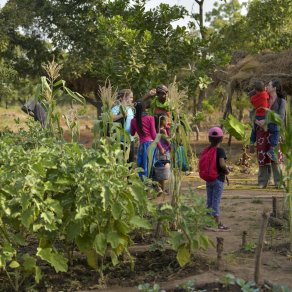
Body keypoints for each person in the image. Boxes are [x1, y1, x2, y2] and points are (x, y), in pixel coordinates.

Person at [250, 79, 287, 188]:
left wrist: (266, 121)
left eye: (269, 85)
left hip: (274, 132)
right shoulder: (262, 97)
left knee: (275, 157)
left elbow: (281, 117)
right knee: (262, 156)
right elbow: (253, 112)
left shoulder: (281, 101)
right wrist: (255, 120)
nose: (267, 86)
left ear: (274, 88)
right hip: (261, 133)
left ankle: (278, 182)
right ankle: (262, 182)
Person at [199, 127, 230, 230]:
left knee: (210, 201)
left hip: (209, 179)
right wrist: (227, 170)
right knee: (216, 201)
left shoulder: (207, 149)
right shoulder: (220, 150)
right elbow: (222, 164)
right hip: (218, 180)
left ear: (209, 138)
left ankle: (207, 223)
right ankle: (217, 224)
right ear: (221, 139)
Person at [130, 100, 165, 181]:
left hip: (142, 146)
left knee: (142, 166)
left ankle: (145, 186)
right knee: (151, 165)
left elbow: (132, 133)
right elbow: (153, 135)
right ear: (145, 108)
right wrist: (160, 148)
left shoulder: (133, 120)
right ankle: (155, 186)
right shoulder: (150, 118)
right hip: (151, 145)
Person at [249, 81, 278, 161]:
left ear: (256, 90)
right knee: (275, 130)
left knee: (254, 130)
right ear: (264, 88)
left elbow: (251, 100)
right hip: (265, 116)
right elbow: (265, 92)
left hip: (257, 116)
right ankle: (272, 149)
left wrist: (255, 91)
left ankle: (251, 142)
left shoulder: (253, 98)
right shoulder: (265, 95)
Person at [111, 89, 135, 163]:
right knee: (120, 162)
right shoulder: (116, 108)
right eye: (130, 97)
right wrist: (121, 115)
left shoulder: (130, 109)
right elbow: (111, 118)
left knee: (130, 162)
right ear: (124, 97)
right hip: (120, 140)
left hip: (130, 140)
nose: (132, 99)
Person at [155, 114, 171, 192]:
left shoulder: (167, 129)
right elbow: (168, 141)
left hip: (165, 151)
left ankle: (162, 187)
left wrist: (165, 133)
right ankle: (161, 188)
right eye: (166, 120)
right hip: (160, 152)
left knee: (163, 169)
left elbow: (169, 141)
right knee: (161, 169)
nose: (167, 121)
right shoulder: (157, 130)